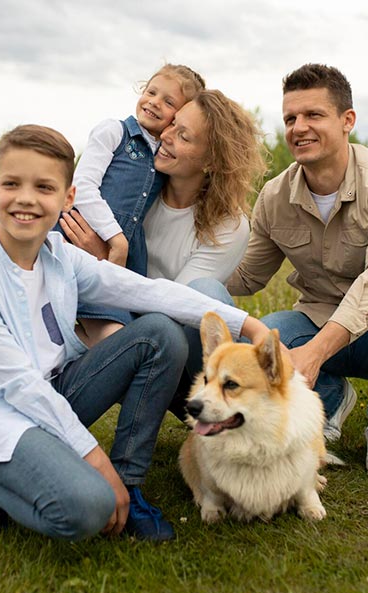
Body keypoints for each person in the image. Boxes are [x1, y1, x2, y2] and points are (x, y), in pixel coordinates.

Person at [0, 124, 270, 544]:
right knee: (87, 509)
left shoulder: (59, 256)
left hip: (55, 391)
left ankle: (132, 483)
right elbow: (15, 385)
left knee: (159, 333)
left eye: (45, 187)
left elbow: (147, 291)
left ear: (68, 198)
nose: (27, 199)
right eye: (13, 184)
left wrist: (247, 324)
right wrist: (95, 462)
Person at [226, 64, 368, 476]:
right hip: (315, 322)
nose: (298, 128)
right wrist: (168, 266)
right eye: (290, 118)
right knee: (269, 333)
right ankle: (328, 396)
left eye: (313, 115)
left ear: (347, 121)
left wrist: (315, 353)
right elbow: (245, 277)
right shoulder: (274, 196)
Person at [60, 89, 267, 415]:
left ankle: (221, 402)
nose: (165, 136)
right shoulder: (138, 194)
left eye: (183, 135)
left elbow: (176, 310)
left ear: (211, 160)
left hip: (180, 351)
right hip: (117, 322)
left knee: (206, 293)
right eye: (171, 125)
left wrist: (104, 261)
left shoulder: (229, 225)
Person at [67, 64, 206, 347]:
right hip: (80, 240)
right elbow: (82, 187)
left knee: (121, 337)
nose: (154, 102)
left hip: (125, 264)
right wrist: (116, 239)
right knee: (116, 339)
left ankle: (66, 357)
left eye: (168, 102)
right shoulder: (114, 132)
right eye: (151, 92)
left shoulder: (164, 156)